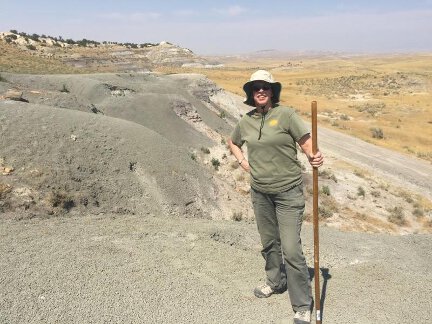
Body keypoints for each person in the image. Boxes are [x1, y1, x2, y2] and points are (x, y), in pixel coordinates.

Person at [228, 70, 323, 324]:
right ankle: (275, 281)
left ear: (272, 92)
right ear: (250, 92)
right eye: (256, 87)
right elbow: (233, 142)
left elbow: (307, 145)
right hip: (260, 192)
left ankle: (302, 304)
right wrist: (243, 162)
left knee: (291, 249)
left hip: (287, 192)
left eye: (266, 87)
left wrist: (314, 156)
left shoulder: (286, 115)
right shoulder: (246, 120)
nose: (261, 90)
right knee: (270, 243)